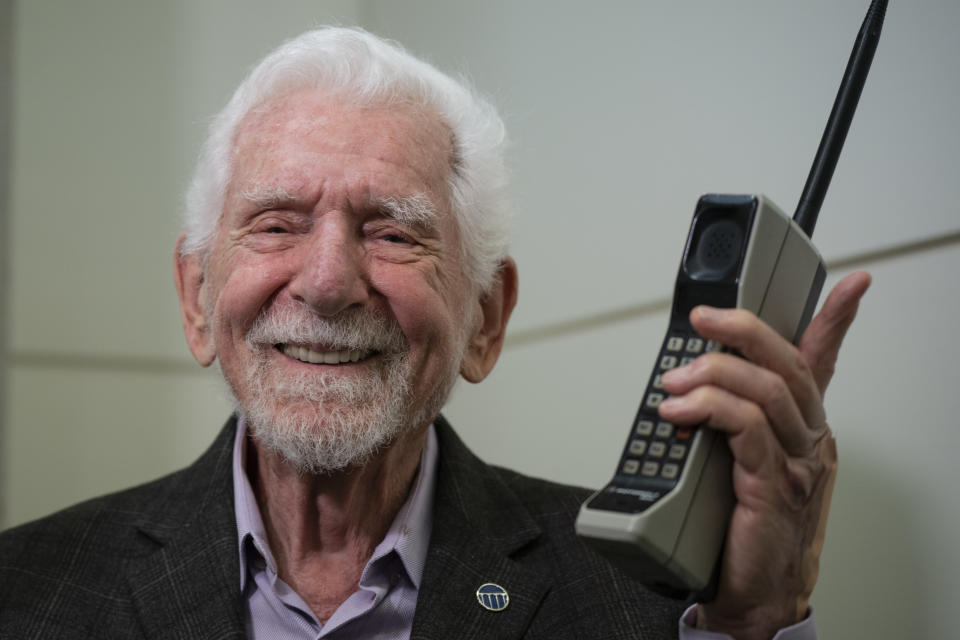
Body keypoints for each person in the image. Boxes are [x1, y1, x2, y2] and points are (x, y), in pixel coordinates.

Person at [0, 27, 870, 639]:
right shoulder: (23, 594)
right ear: (197, 299)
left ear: (485, 318)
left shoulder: (655, 610)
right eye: (276, 223)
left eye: (392, 229)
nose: (330, 281)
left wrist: (755, 625)